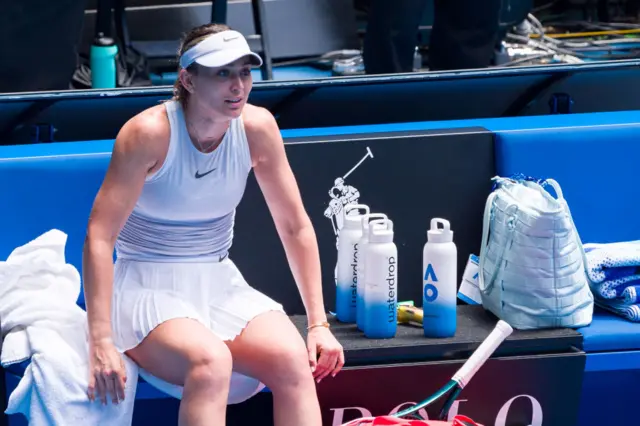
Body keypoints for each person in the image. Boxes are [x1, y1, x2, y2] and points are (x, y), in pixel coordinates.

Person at [82, 23, 345, 426]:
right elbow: (100, 238)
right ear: (187, 79)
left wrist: (318, 324)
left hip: (218, 281)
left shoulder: (258, 128)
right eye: (222, 73)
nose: (237, 86)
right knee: (211, 361)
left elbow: (295, 226)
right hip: (143, 286)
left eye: (244, 72)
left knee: (292, 357)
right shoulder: (147, 134)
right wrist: (99, 340)